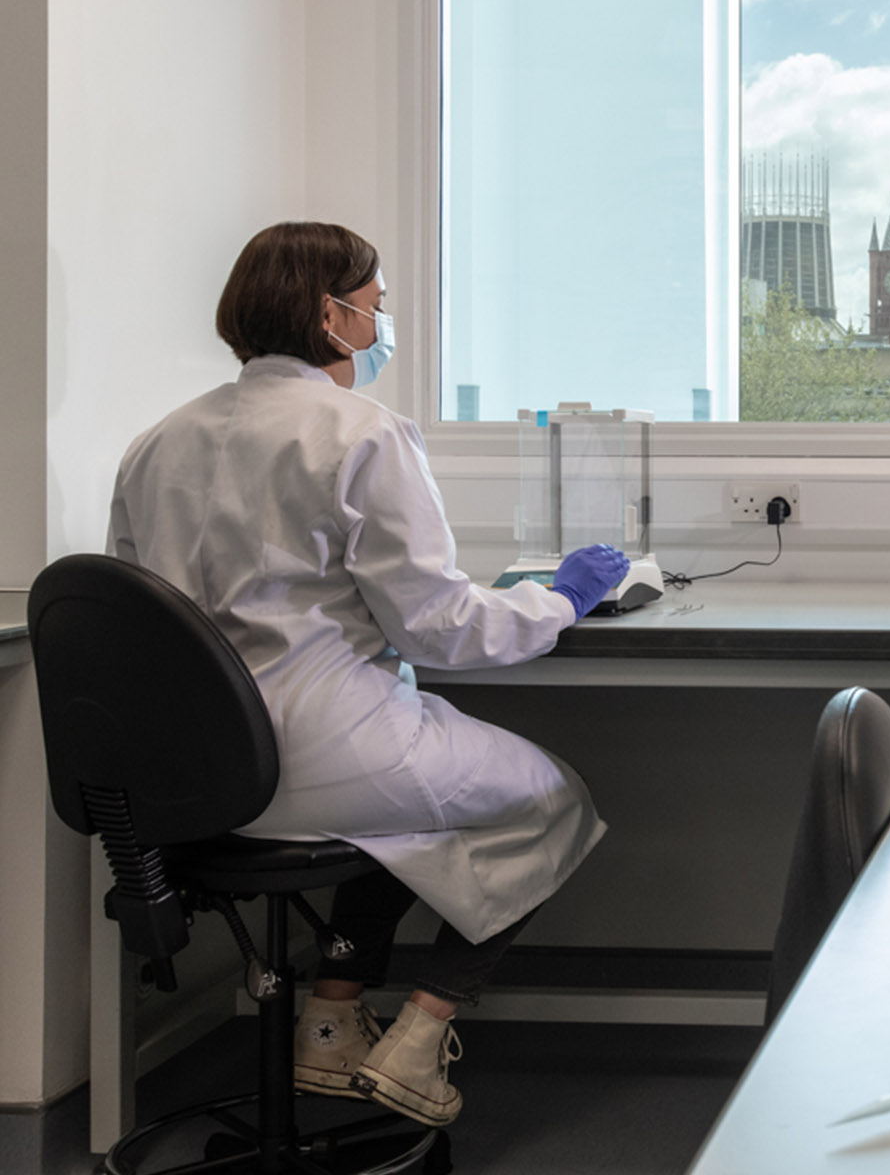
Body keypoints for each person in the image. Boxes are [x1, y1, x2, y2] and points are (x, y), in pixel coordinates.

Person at [108, 222, 630, 1127]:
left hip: (184, 782)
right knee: (552, 799)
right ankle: (418, 1038)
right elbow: (440, 627)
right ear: (332, 314)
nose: (383, 323)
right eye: (377, 306)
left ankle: (332, 1018)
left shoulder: (157, 442)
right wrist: (565, 599)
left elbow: (139, 622)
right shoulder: (362, 432)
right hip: (326, 758)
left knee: (417, 816)